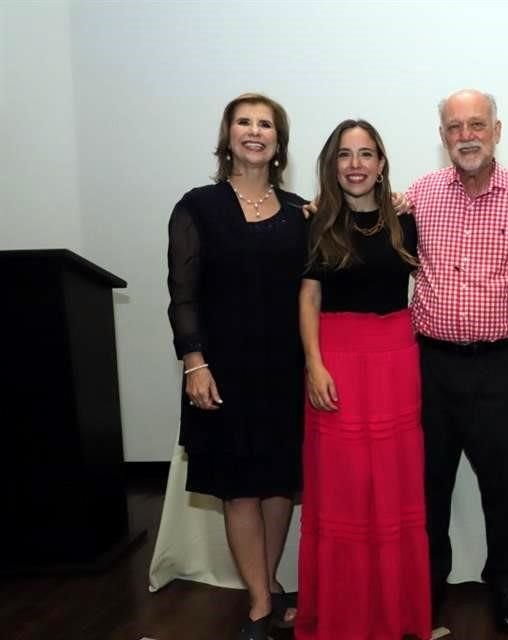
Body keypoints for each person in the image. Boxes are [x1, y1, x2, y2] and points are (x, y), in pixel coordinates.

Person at [166, 93, 305, 640]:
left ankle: (268, 585)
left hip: (285, 369)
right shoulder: (197, 205)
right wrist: (193, 363)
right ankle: (256, 603)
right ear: (227, 136)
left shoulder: (300, 211)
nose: (254, 131)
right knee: (239, 488)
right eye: (243, 122)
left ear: (278, 141)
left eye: (265, 124)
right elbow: (182, 293)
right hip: (221, 369)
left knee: (277, 483)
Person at [408, 89, 508, 632]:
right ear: (442, 137)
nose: (466, 135)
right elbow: (365, 223)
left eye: (476, 124)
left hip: (498, 365)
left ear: (497, 129)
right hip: (431, 364)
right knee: (428, 482)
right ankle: (428, 581)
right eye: (454, 127)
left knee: (505, 485)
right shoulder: (419, 195)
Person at [295, 119, 430, 640]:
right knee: (345, 489)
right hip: (337, 362)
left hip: (396, 360)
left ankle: (393, 613)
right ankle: (344, 616)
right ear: (332, 165)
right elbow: (308, 297)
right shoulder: (314, 222)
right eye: (345, 155)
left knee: (392, 489)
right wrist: (313, 362)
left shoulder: (405, 221)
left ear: (380, 165)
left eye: (366, 154)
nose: (355, 164)